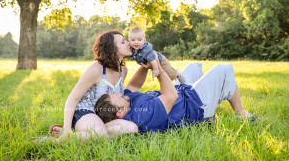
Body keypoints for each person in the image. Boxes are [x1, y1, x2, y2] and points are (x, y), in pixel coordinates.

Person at [94, 55, 257, 132]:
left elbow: (134, 84)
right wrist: (157, 68)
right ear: (120, 113)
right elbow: (171, 96)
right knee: (223, 69)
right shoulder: (140, 116)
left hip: (184, 94)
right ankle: (241, 114)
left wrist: (146, 63)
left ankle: (218, 91)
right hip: (194, 107)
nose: (117, 93)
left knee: (193, 66)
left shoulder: (127, 99)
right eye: (114, 97)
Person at [51, 30, 138, 140]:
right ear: (112, 48)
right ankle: (57, 138)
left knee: (132, 128)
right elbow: (72, 99)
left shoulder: (123, 70)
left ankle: (77, 133)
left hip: (103, 117)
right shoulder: (97, 69)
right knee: (100, 134)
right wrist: (67, 128)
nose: (128, 43)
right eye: (122, 42)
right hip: (85, 112)